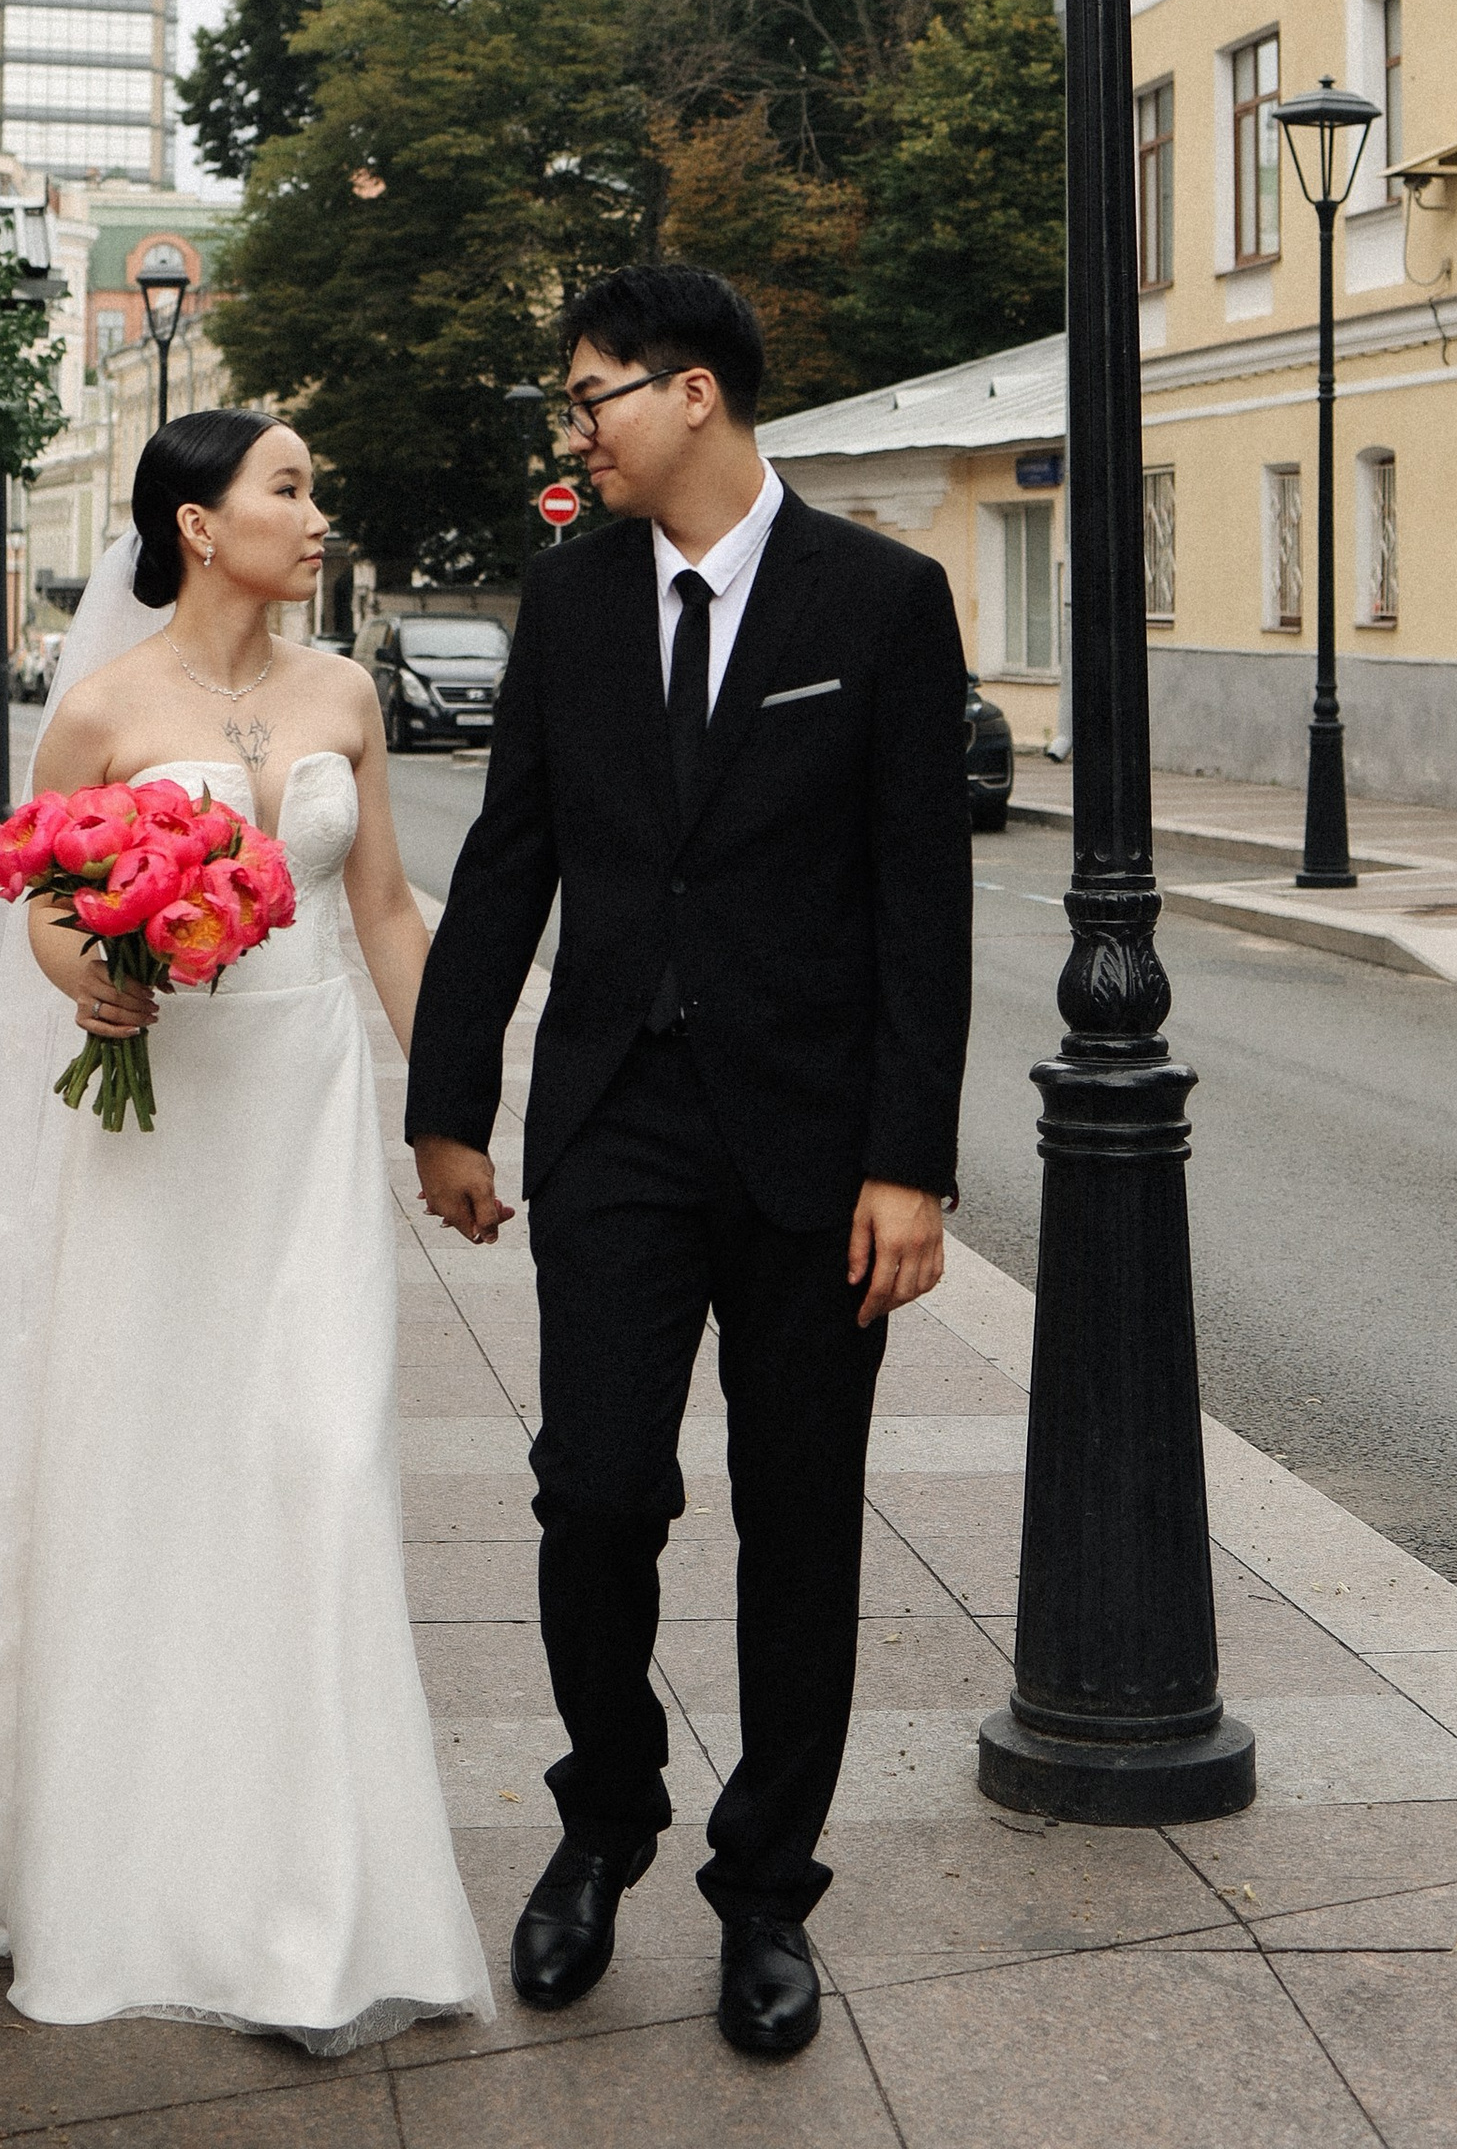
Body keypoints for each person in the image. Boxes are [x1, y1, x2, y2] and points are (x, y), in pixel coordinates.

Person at [406, 264, 973, 2060]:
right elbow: (507, 866)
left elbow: (923, 907)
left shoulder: (880, 599)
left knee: (801, 1518)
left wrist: (914, 1163)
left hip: (818, 1151)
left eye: (594, 396)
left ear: (696, 397)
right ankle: (605, 1821)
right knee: (594, 1486)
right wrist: (449, 1101)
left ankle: (767, 1888)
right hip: (617, 1130)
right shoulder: (568, 600)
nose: (577, 430)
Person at [0, 412, 489, 2054]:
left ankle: (324, 1896)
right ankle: (138, 1864)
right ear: (201, 525)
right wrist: (93, 972)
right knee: (150, 1467)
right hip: (156, 1146)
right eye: (289, 487)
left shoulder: (345, 696)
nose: (316, 509)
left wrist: (453, 1113)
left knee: (318, 1452)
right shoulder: (102, 708)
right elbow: (34, 901)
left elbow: (383, 915)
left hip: (298, 1122)